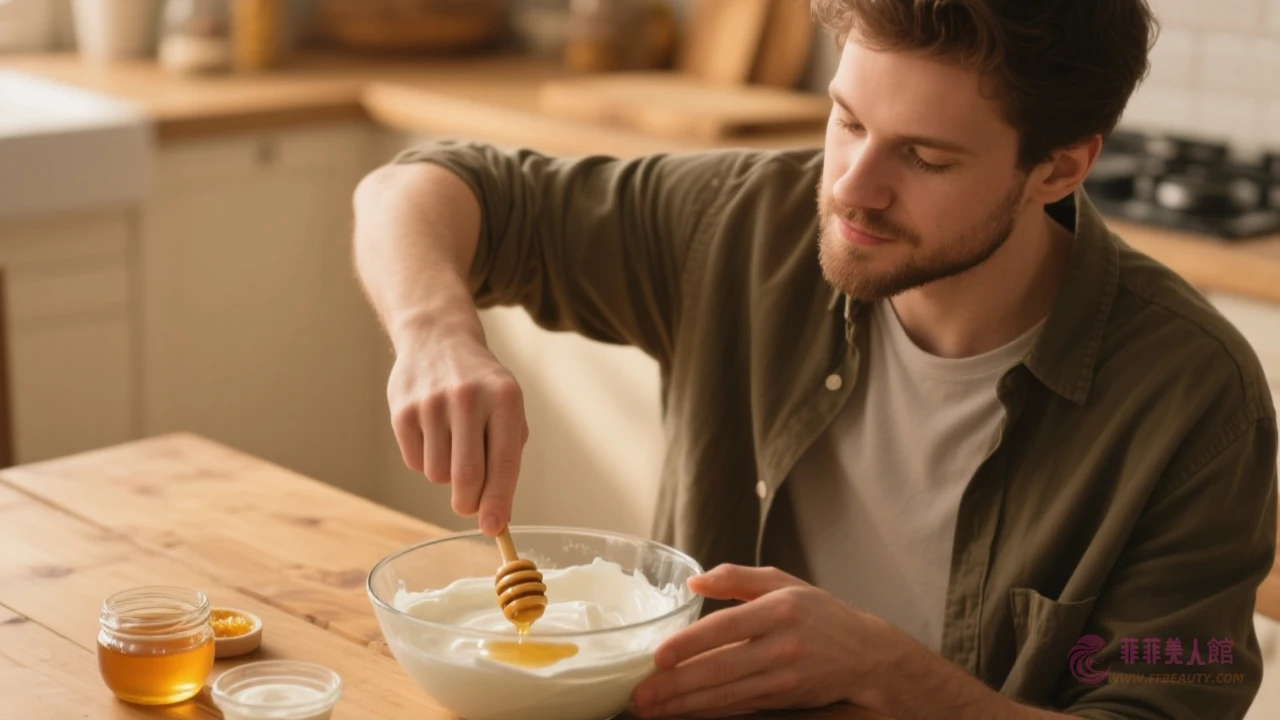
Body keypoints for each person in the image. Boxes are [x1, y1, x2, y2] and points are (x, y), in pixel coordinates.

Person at [351, 0, 1278, 717]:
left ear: (1061, 169)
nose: (851, 187)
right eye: (845, 119)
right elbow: (425, 187)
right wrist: (435, 332)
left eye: (924, 156)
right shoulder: (746, 223)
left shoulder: (1194, 401)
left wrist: (897, 682)